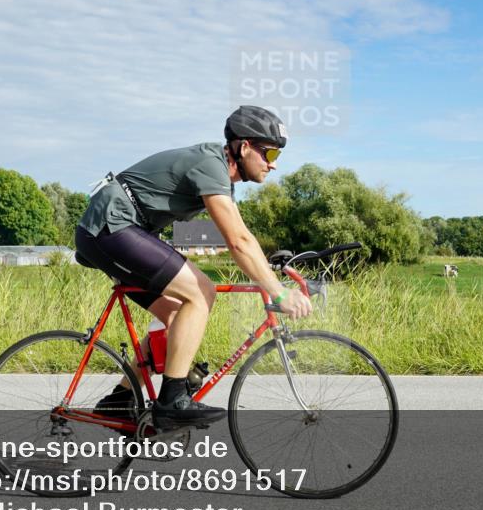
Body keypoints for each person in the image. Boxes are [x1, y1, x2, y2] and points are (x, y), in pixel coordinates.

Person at [75, 106, 313, 429]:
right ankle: (172, 400)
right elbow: (237, 242)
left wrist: (269, 270)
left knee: (176, 318)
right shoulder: (211, 165)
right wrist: (279, 292)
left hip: (120, 231)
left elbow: (245, 236)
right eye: (269, 151)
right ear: (243, 147)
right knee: (202, 291)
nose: (273, 163)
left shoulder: (219, 176)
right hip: (111, 226)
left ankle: (120, 399)